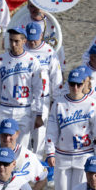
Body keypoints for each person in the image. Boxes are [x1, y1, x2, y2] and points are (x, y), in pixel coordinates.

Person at [44, 65, 96, 190]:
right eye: (72, 84)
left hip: (84, 155)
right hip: (63, 154)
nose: (75, 88)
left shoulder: (92, 103)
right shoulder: (59, 103)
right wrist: (50, 152)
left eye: (79, 84)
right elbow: (51, 129)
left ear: (84, 84)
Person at [0, 26, 45, 140]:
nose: (13, 44)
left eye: (16, 41)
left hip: (24, 111)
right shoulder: (0, 60)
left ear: (24, 41)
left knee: (22, 149)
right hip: (4, 109)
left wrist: (39, 114)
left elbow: (38, 90)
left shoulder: (32, 62)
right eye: (11, 40)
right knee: (1, 145)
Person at [23, 20, 63, 155]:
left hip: (43, 99)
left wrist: (55, 100)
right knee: (24, 135)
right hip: (24, 99)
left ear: (41, 36)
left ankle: (38, 163)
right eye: (30, 39)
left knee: (40, 135)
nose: (32, 42)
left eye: (35, 39)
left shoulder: (49, 52)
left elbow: (56, 77)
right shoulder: (22, 49)